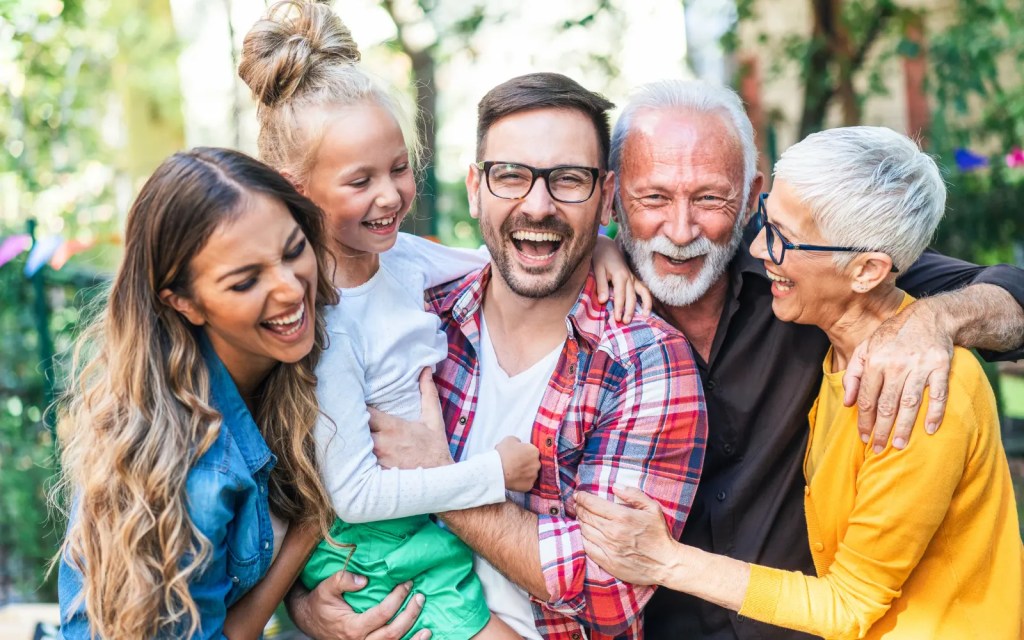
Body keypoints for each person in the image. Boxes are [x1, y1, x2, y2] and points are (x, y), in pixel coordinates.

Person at [236, 6, 651, 639]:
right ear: (297, 189)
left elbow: (508, 249)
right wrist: (491, 474)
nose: (390, 195)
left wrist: (599, 244)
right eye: (360, 180)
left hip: (414, 528)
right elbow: (348, 494)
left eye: (399, 168)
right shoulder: (320, 320)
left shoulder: (401, 261)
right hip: (372, 537)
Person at [598, 79, 1024, 639]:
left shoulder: (836, 287)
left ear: (750, 196)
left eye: (709, 198)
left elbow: (1007, 291)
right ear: (613, 197)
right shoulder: (589, 302)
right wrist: (595, 245)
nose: (679, 230)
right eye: (652, 198)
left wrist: (936, 319)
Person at [360, 72, 708, 640]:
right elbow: (320, 485)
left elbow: (606, 589)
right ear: (475, 187)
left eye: (568, 179)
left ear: (606, 195)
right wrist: (308, 604)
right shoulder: (416, 323)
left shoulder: (644, 362)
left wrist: (438, 480)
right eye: (511, 176)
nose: (538, 205)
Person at [54, 147, 363, 638]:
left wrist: (303, 602)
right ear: (184, 303)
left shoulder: (291, 358)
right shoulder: (192, 470)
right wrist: (308, 531)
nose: (289, 289)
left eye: (292, 250)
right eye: (245, 282)